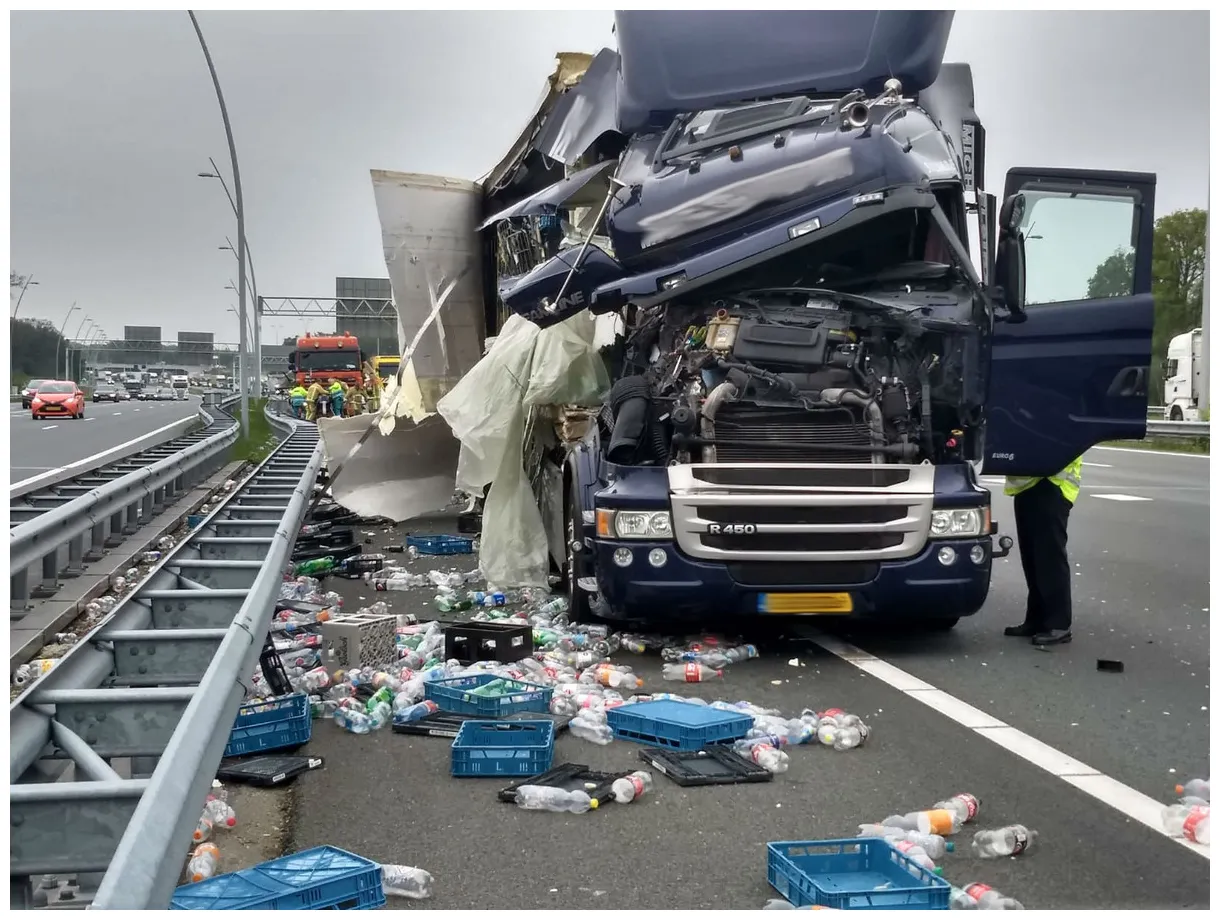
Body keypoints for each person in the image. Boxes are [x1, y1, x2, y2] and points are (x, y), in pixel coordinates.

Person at [1003, 456, 1083, 646]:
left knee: (1050, 556)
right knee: (1031, 555)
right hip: (1028, 484)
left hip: (1053, 481)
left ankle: (1059, 624)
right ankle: (1036, 619)